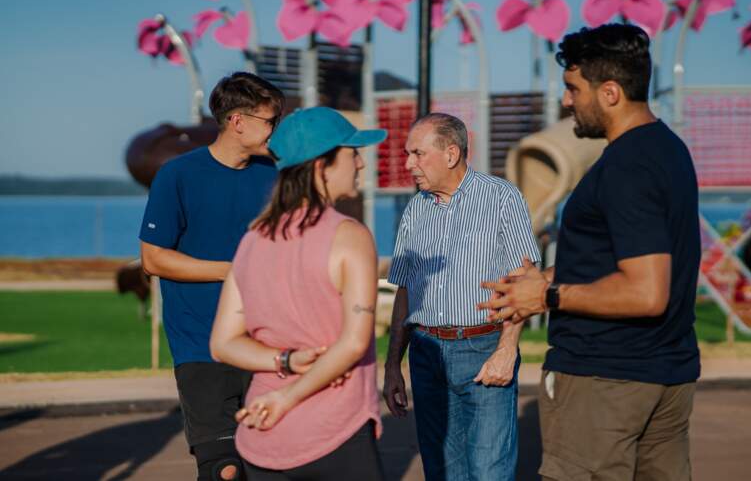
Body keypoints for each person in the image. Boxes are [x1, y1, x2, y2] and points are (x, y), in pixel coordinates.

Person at [480, 24, 701, 481]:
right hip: (666, 372)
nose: (566, 101)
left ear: (611, 93)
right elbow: (630, 256)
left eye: (573, 88)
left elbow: (645, 292)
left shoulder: (626, 166)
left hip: (606, 379)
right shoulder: (668, 150)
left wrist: (548, 297)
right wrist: (544, 278)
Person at [209, 107, 388, 481]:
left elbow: (224, 344)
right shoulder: (350, 236)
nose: (360, 164)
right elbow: (353, 343)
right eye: (352, 153)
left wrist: (286, 362)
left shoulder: (253, 239)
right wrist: (286, 398)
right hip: (334, 432)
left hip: (264, 437)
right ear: (321, 165)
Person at [139, 72, 285, 481]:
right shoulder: (177, 175)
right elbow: (153, 259)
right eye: (270, 120)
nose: (276, 128)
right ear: (238, 121)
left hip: (266, 344)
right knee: (223, 470)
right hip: (200, 347)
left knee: (270, 467)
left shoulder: (274, 175)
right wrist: (233, 272)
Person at [382, 113, 540, 481]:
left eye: (418, 154)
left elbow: (524, 280)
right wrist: (393, 366)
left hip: (484, 350)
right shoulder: (416, 209)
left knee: (488, 472)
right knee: (442, 471)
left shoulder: (501, 198)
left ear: (451, 153)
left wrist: (507, 349)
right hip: (426, 354)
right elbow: (405, 291)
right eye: (408, 154)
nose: (409, 164)